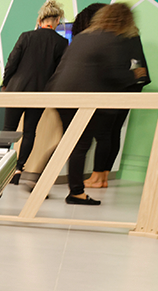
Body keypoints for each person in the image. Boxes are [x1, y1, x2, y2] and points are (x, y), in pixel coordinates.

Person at [47, 2, 146, 205]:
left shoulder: (83, 36)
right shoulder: (114, 39)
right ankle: (76, 192)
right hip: (85, 97)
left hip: (60, 93)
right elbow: (114, 74)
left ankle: (41, 180)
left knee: (68, 142)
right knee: (81, 144)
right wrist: (136, 74)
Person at [1, 0, 69, 184]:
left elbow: (12, 62)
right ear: (57, 20)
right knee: (29, 131)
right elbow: (59, 72)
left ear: (40, 20)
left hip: (17, 89)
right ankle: (18, 169)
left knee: (8, 130)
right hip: (40, 93)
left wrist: (6, 83)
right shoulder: (62, 42)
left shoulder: (26, 36)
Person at [87, 6, 147, 188]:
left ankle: (97, 177)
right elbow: (138, 68)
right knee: (113, 132)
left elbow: (117, 69)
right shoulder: (133, 35)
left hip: (117, 88)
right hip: (131, 89)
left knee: (105, 133)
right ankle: (103, 176)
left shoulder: (117, 37)